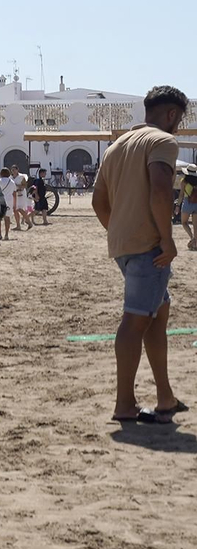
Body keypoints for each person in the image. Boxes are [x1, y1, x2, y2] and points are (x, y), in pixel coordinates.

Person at [94, 85, 187, 424]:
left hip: (125, 247)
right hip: (150, 247)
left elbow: (98, 202)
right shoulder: (162, 142)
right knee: (135, 321)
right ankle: (124, 405)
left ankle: (165, 398)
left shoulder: (116, 147)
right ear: (172, 114)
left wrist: (121, 232)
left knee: (157, 316)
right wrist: (167, 239)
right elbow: (162, 191)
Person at [0, 168, 15, 240]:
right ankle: (6, 234)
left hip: (0, 200)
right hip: (9, 200)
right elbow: (14, 192)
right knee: (7, 218)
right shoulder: (12, 181)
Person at [180, 167, 197, 250]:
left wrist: (177, 205)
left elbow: (181, 195)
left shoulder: (184, 181)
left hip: (187, 202)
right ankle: (195, 244)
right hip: (196, 203)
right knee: (195, 225)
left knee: (184, 222)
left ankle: (193, 238)